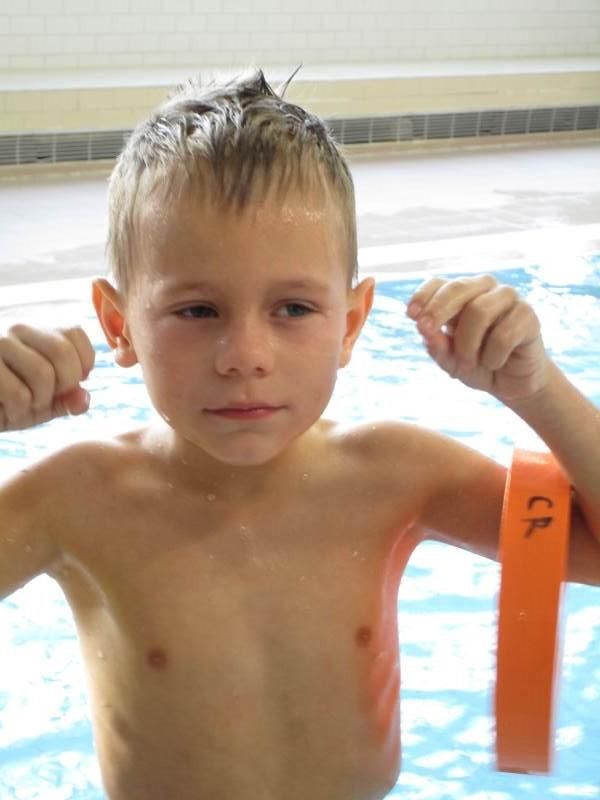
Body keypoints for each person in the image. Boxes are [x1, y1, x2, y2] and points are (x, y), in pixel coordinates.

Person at [0, 69, 598, 800]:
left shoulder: (394, 477)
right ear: (119, 325)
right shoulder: (77, 499)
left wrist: (536, 390)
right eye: (196, 311)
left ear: (350, 323)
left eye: (292, 309)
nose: (246, 356)